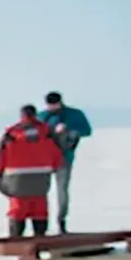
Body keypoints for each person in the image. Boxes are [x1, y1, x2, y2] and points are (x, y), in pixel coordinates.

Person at [0, 105, 63, 238]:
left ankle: (16, 239)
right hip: (41, 178)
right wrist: (53, 167)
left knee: (18, 209)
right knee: (40, 208)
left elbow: (0, 155)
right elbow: (57, 152)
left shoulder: (12, 133)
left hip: (16, 179)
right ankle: (40, 238)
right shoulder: (46, 131)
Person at [37, 91, 92, 233]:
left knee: (62, 190)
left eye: (54, 105)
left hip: (64, 158)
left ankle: (61, 220)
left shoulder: (74, 114)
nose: (52, 108)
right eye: (50, 105)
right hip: (44, 160)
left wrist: (69, 130)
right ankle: (40, 221)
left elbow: (87, 130)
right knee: (40, 191)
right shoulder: (42, 116)